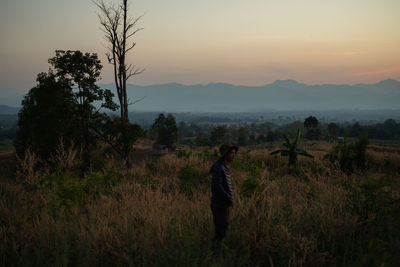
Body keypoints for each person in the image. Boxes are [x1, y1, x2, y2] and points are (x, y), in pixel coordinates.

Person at [210, 143, 238, 242]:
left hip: (222, 203)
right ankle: (215, 254)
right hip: (219, 204)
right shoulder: (219, 167)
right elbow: (217, 186)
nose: (233, 155)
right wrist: (228, 198)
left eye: (234, 153)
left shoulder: (223, 166)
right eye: (231, 153)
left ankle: (218, 253)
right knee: (220, 231)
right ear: (225, 155)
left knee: (223, 230)